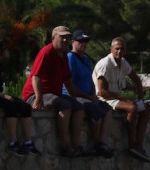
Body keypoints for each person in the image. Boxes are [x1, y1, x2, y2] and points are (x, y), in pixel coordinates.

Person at [21, 26, 95, 157]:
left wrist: (77, 97)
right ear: (53, 38)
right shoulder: (46, 52)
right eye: (62, 37)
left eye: (68, 37)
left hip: (52, 94)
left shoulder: (64, 56)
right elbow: (35, 77)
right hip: (36, 94)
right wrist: (39, 99)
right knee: (64, 105)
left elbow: (68, 81)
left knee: (78, 107)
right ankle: (64, 146)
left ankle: (76, 145)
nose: (66, 40)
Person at [0, 36, 40, 156]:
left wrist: (3, 95)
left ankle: (28, 142)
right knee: (10, 105)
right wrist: (2, 96)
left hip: (0, 95)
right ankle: (13, 142)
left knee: (25, 107)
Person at [93, 37, 150, 163]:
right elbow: (101, 92)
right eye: (117, 49)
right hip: (105, 100)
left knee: (145, 108)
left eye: (122, 49)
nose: (119, 51)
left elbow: (136, 79)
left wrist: (140, 97)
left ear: (125, 50)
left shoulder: (123, 62)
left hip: (115, 98)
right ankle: (131, 145)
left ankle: (139, 145)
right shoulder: (105, 64)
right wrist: (123, 98)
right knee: (132, 108)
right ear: (111, 50)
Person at [66, 30, 114, 158]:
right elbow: (70, 83)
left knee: (107, 109)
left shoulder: (86, 59)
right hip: (76, 97)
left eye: (85, 41)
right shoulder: (70, 58)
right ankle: (96, 144)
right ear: (73, 42)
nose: (84, 44)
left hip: (88, 96)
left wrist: (93, 95)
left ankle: (102, 142)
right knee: (96, 111)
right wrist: (88, 97)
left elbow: (90, 79)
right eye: (80, 41)